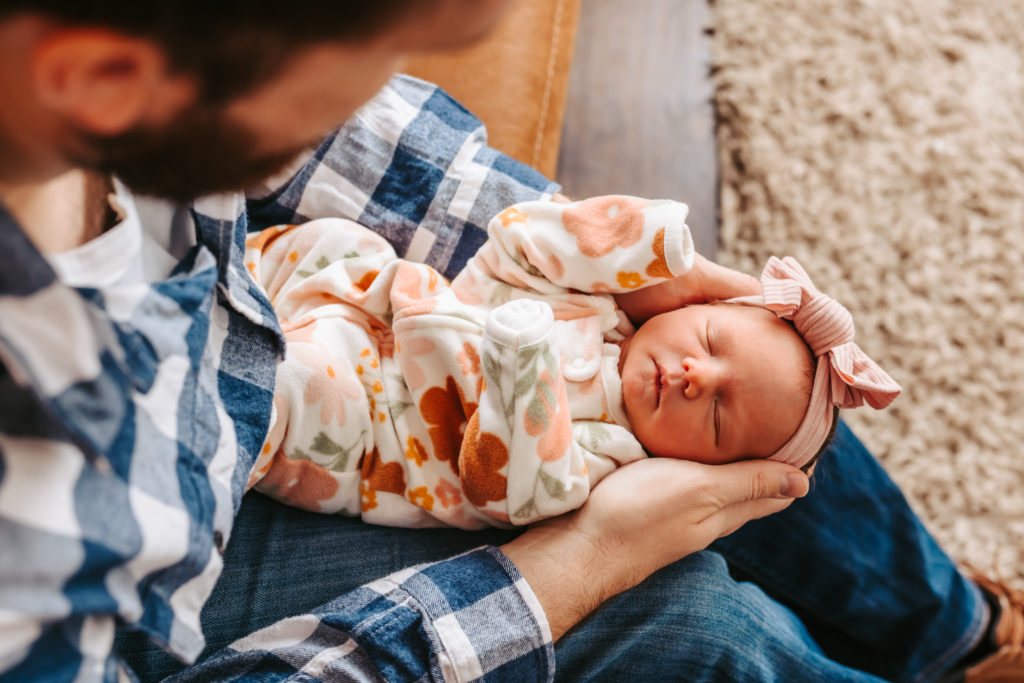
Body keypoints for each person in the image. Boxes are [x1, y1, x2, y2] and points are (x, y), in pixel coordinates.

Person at [0, 1, 1019, 681]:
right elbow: (518, 477)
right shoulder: (39, 558)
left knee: (782, 422)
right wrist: (584, 557)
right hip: (302, 468)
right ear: (103, 80)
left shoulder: (139, 56)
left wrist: (640, 264)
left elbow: (486, 219)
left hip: (308, 331)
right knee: (713, 626)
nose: (686, 364)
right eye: (367, 66)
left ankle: (960, 639)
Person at [244, 196, 900, 528]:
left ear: (705, 468)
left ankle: (217, 380)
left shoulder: (612, 458)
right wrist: (682, 264)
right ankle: (220, 278)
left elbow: (509, 490)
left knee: (298, 382)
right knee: (335, 242)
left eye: (720, 419)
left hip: (367, 431)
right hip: (370, 303)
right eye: (708, 338)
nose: (699, 378)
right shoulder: (597, 305)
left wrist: (524, 359)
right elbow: (521, 240)